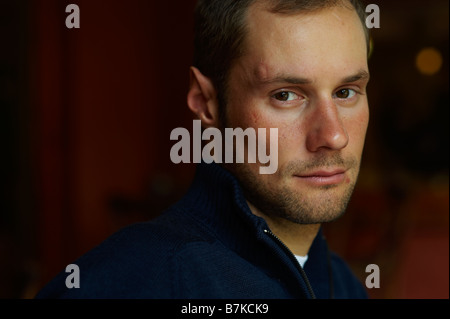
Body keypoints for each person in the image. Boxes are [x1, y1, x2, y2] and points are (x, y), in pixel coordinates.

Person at [36, 0, 370, 299]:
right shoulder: (141, 281)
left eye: (346, 92)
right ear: (206, 102)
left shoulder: (341, 283)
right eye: (285, 95)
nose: (334, 135)